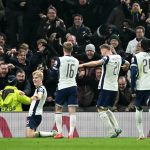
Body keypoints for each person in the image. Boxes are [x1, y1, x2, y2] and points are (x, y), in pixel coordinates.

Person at [79, 44, 129, 138]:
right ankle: (117, 128)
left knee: (100, 108)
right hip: (114, 88)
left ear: (105, 50)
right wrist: (124, 67)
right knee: (106, 108)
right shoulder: (118, 57)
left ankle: (111, 131)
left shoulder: (107, 58)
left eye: (101, 51)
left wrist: (83, 65)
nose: (101, 54)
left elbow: (96, 63)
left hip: (106, 87)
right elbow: (127, 63)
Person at [53, 42, 79, 139]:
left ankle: (60, 133)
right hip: (73, 86)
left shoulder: (59, 59)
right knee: (72, 111)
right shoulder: (76, 61)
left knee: (58, 108)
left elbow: (54, 72)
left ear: (63, 49)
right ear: (72, 50)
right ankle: (71, 134)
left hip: (63, 86)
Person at [26, 70, 57, 138]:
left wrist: (36, 96)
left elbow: (39, 96)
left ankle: (52, 133)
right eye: (33, 78)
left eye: (36, 78)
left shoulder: (40, 89)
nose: (34, 79)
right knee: (31, 135)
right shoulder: (38, 89)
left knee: (30, 135)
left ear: (41, 79)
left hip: (34, 115)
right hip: (34, 114)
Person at [130, 38, 150, 140]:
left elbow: (133, 73)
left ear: (141, 46)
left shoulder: (136, 57)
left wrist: (132, 88)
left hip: (142, 86)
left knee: (138, 107)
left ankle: (141, 134)